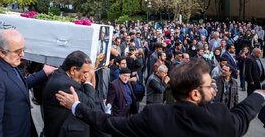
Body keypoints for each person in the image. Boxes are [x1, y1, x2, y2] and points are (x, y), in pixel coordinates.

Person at [56, 59, 265, 137]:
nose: (214, 89)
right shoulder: (220, 117)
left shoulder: (155, 116)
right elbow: (243, 115)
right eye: (210, 85)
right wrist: (259, 95)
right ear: (194, 94)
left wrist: (76, 106)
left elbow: (109, 124)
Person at [0, 29, 56, 137]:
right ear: (2, 52)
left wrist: (44, 73)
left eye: (23, 49)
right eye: (18, 51)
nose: (22, 54)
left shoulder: (8, 63)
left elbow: (19, 86)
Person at [42, 51, 100, 137]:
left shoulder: (61, 75)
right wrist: (88, 82)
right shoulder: (66, 85)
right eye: (84, 72)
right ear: (73, 70)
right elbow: (91, 105)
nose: (86, 76)